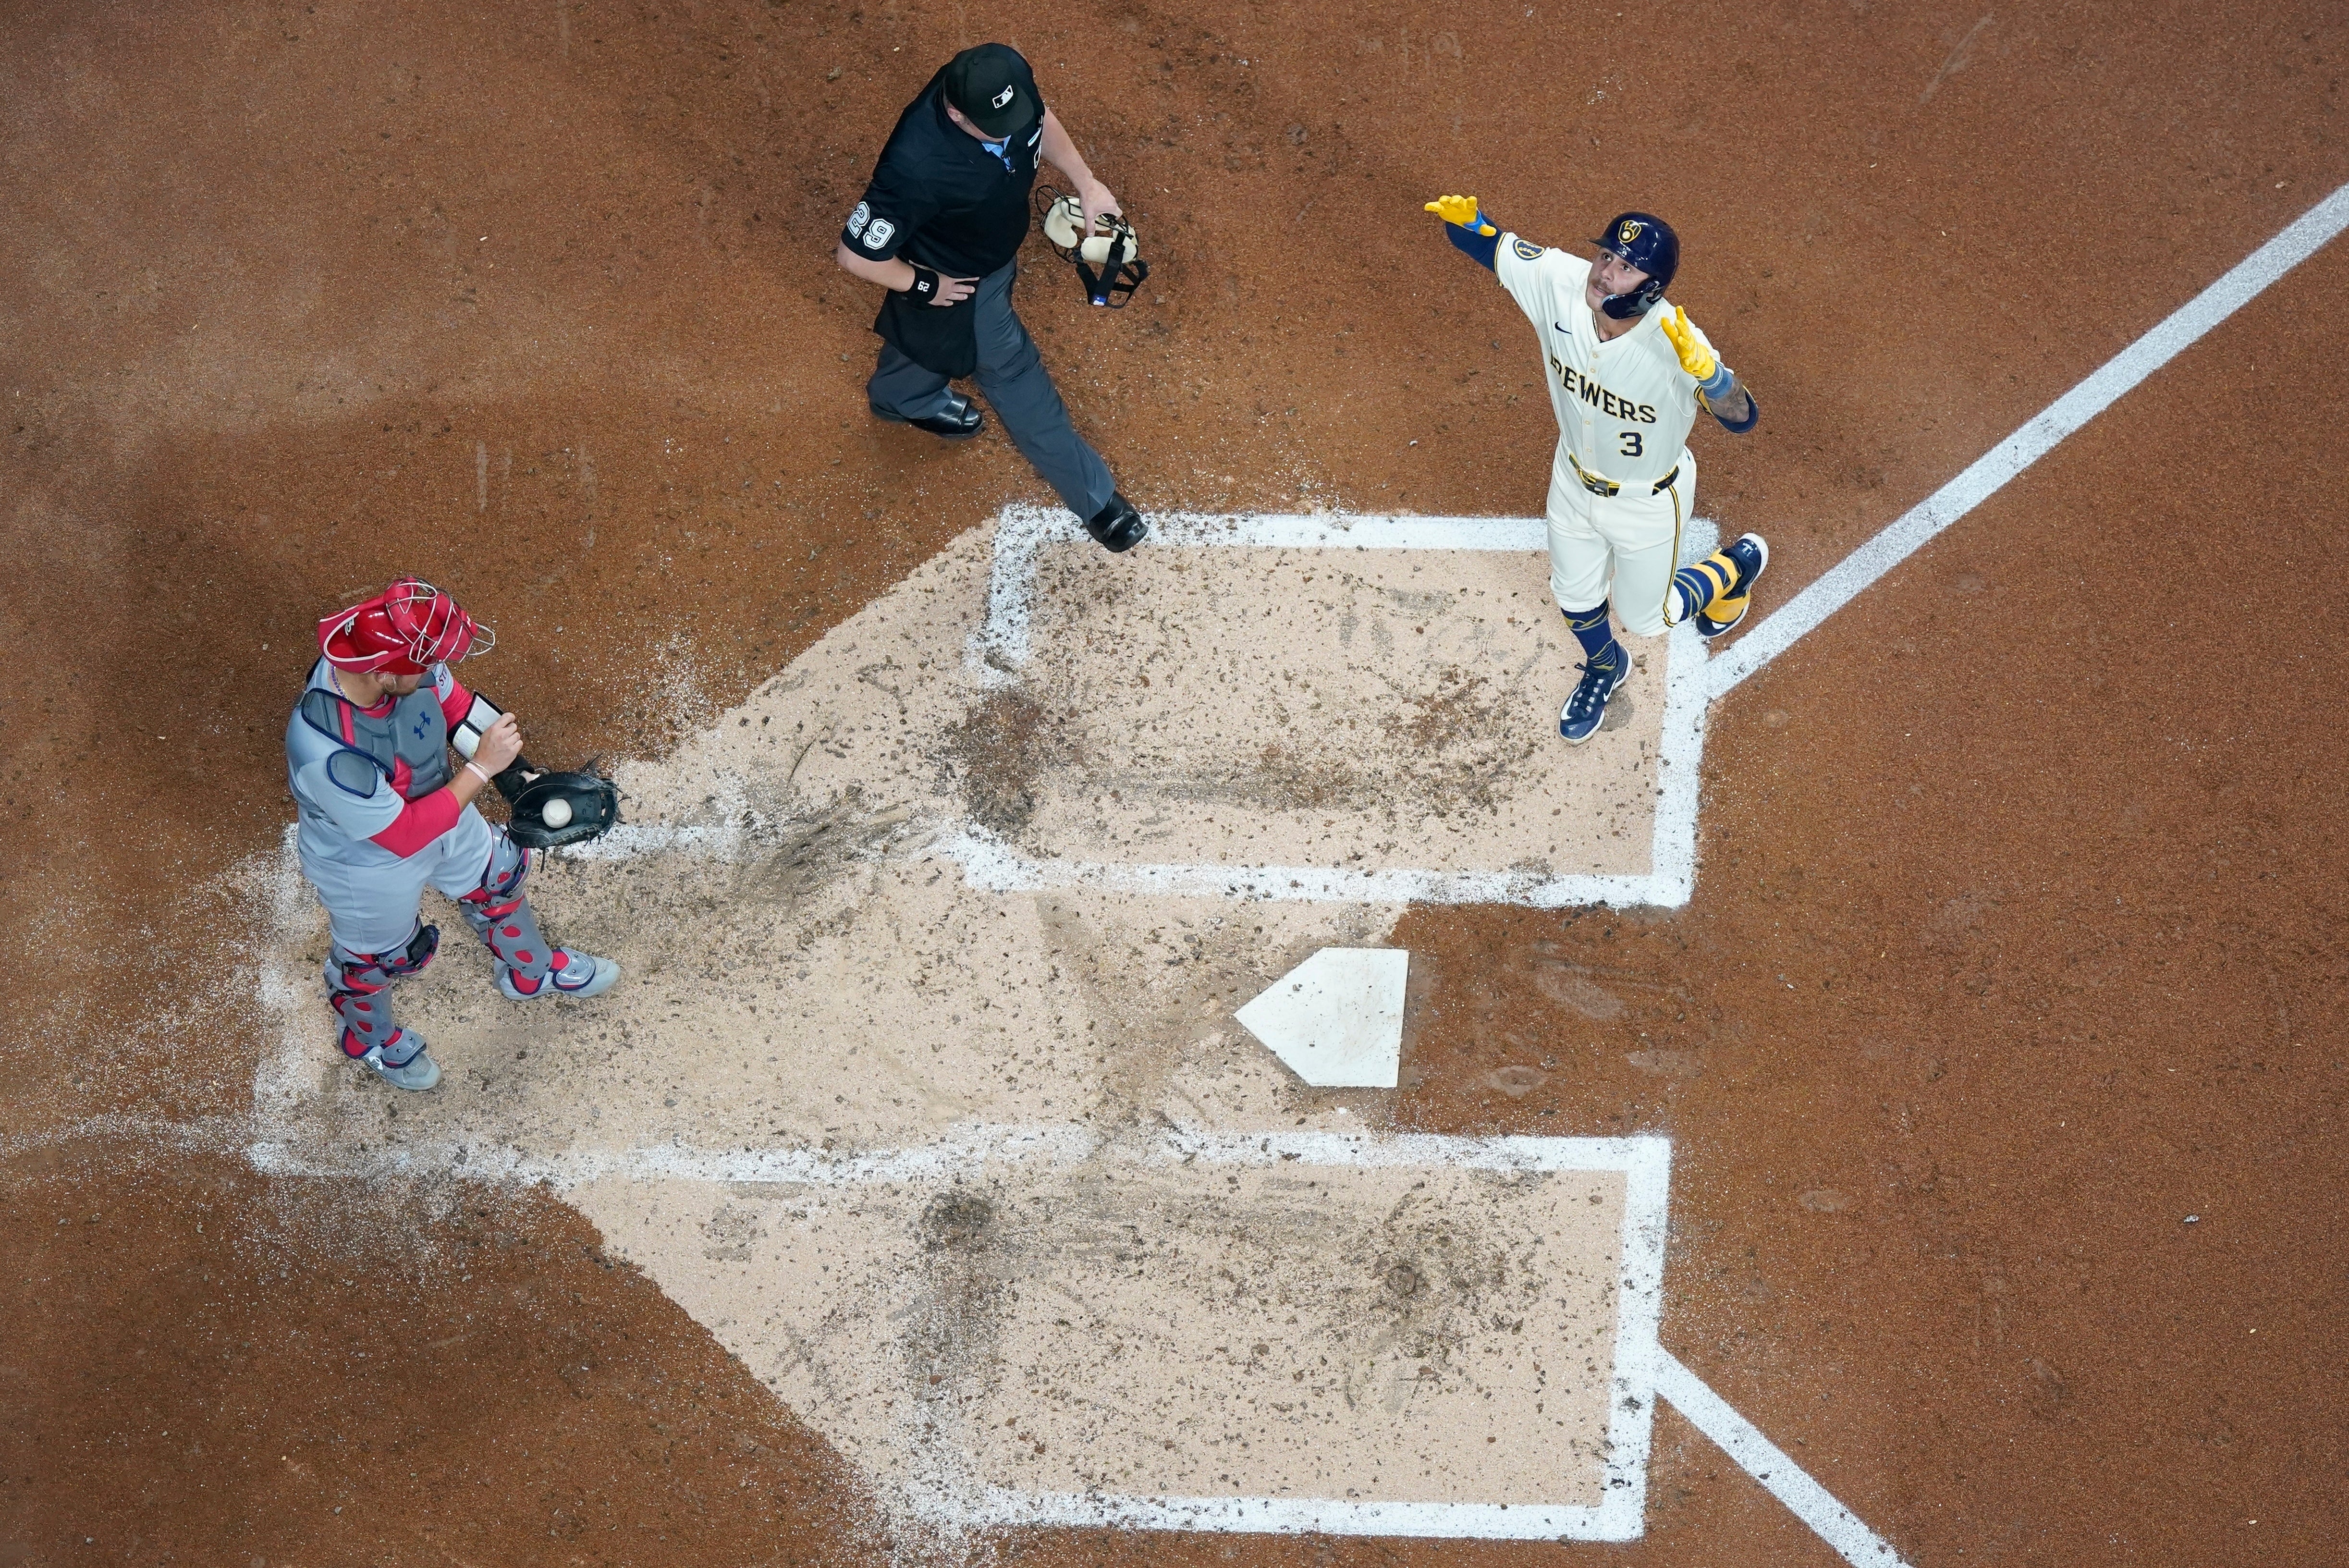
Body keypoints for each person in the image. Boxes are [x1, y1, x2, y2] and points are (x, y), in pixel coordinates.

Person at [1425, 196, 1769, 742]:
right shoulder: (1562, 282)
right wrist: (1466, 225)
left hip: (1648, 501)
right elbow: (1486, 246)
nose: (1606, 272)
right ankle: (1607, 667)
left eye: (1626, 267)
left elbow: (1742, 419)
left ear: (1651, 288)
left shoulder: (1679, 345)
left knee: (1649, 618)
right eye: (1607, 255)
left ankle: (1736, 569)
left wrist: (1714, 379)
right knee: (1574, 594)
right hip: (1572, 478)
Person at [284, 579, 620, 1091]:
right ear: (379, 671)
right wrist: (484, 770)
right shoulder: (325, 750)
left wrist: (519, 779)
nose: (434, 668)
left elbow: (460, 711)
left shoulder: (395, 660)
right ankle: (367, 1039)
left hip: (441, 803)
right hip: (369, 864)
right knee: (376, 962)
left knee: (498, 878)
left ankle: (530, 972)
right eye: (422, 664)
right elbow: (402, 835)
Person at [835, 42, 1148, 552]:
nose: (1013, 130)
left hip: (989, 250)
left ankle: (902, 396)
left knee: (929, 336)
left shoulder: (1004, 77)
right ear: (956, 112)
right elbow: (855, 255)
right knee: (1013, 372)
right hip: (959, 274)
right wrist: (924, 284)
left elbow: (1040, 120)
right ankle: (1094, 497)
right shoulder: (915, 165)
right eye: (996, 127)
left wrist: (1087, 182)